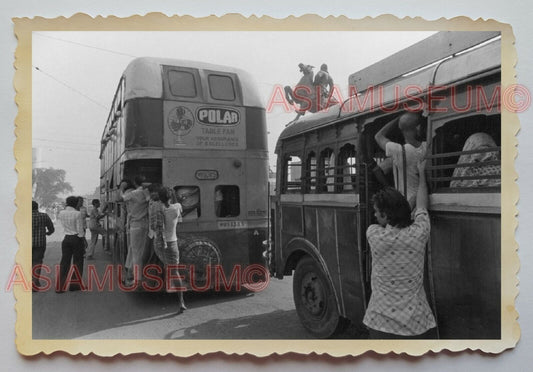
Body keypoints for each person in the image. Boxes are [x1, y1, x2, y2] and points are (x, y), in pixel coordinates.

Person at [363, 160, 437, 339]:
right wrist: (420, 175)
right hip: (416, 324)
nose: (374, 215)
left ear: (386, 215)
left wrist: (403, 206)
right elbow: (421, 204)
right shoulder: (420, 232)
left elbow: (411, 207)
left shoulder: (374, 235)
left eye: (376, 211)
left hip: (379, 322)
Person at [374, 112, 427, 209]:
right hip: (422, 201)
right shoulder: (427, 147)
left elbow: (378, 136)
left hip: (405, 203)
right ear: (418, 128)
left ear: (401, 129)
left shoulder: (399, 151)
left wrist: (398, 118)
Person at [152, 187, 187, 314]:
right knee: (174, 271)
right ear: (171, 197)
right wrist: (172, 195)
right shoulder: (176, 208)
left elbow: (153, 226)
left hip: (159, 244)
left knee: (164, 264)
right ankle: (181, 301)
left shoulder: (156, 209)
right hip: (172, 244)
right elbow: (178, 204)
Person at [119, 176, 150, 285]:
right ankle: (130, 273)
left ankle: (136, 278)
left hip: (135, 225)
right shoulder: (146, 193)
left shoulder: (132, 194)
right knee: (135, 250)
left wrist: (121, 189)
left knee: (135, 252)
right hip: (144, 224)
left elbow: (120, 198)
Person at [57, 196, 86, 292]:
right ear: (75, 203)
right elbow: (80, 230)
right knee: (77, 262)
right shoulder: (78, 214)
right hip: (76, 238)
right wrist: (83, 241)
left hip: (66, 239)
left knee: (64, 262)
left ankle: (60, 287)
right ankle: (75, 285)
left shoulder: (61, 213)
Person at [32, 201, 55, 290]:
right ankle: (35, 281)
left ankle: (32, 280)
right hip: (40, 243)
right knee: (37, 262)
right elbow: (51, 228)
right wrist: (48, 233)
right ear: (37, 207)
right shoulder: (44, 216)